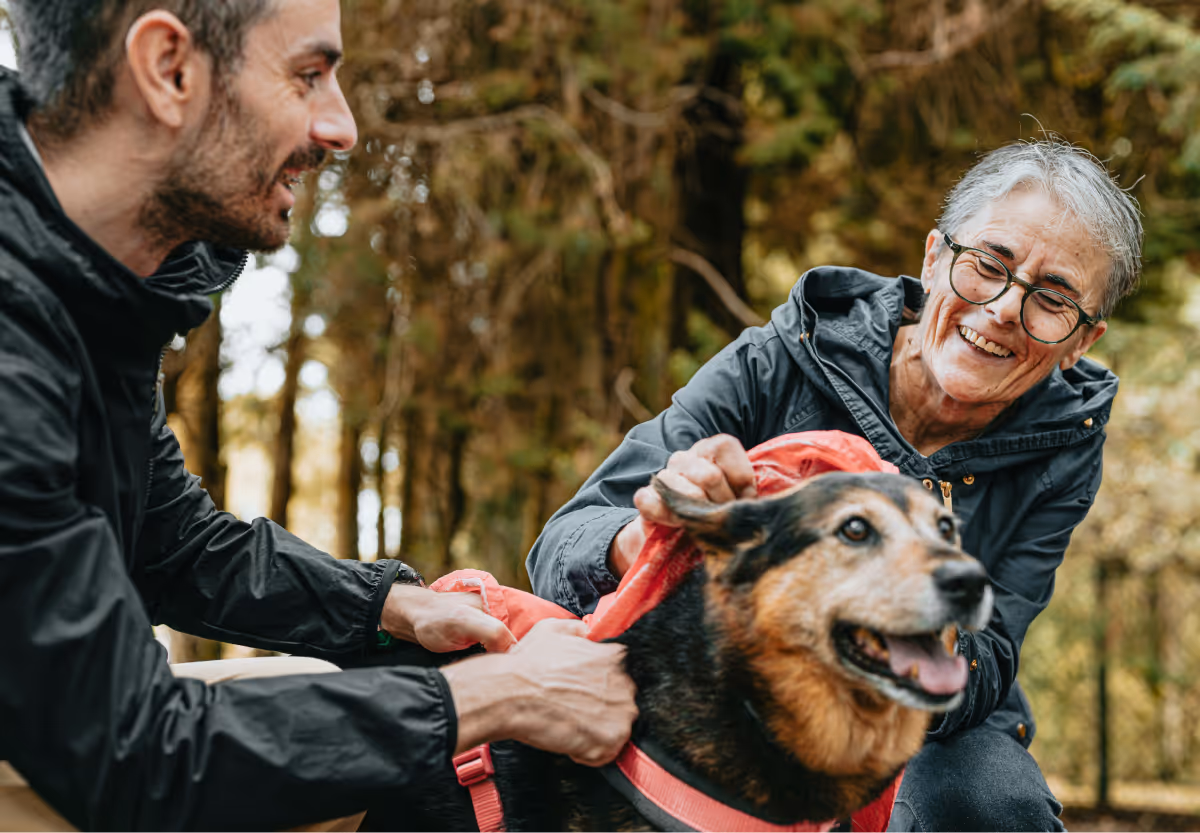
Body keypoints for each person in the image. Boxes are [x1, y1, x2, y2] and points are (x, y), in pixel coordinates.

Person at [0, 0, 637, 830]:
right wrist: (491, 697)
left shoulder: (91, 287)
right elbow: (140, 756)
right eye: (308, 75)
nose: (341, 127)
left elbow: (170, 543)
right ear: (169, 69)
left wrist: (384, 608)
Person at [528, 139, 1142, 831]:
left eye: (1052, 299)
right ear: (935, 257)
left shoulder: (1066, 445)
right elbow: (562, 546)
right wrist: (652, 533)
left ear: (1082, 341)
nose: (1004, 307)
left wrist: (898, 644)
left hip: (928, 713)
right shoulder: (778, 359)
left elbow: (991, 648)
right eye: (988, 266)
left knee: (990, 802)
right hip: (737, 681)